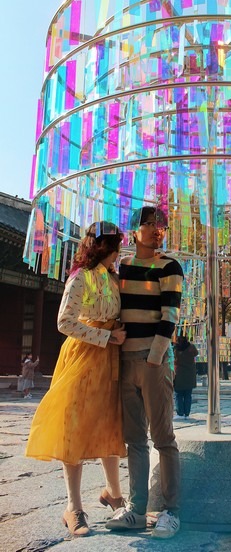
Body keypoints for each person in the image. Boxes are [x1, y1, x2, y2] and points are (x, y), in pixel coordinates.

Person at [26, 222, 127, 537]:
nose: (119, 252)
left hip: (109, 359)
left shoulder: (112, 278)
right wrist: (106, 336)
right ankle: (73, 507)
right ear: (106, 247)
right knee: (75, 425)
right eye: (117, 246)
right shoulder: (80, 278)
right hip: (84, 356)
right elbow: (64, 322)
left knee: (109, 423)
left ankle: (114, 492)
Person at [106, 206, 183, 539]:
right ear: (134, 231)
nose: (155, 230)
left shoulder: (169, 266)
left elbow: (170, 314)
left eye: (161, 226)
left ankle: (170, 510)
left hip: (153, 362)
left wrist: (155, 358)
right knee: (134, 439)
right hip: (124, 361)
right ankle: (137, 511)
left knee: (163, 437)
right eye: (149, 224)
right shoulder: (122, 267)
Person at [173, 335, 198, 419]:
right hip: (190, 373)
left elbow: (173, 358)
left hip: (179, 373)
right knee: (188, 395)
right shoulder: (191, 347)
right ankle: (187, 413)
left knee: (178, 394)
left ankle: (180, 413)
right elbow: (196, 353)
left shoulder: (175, 348)